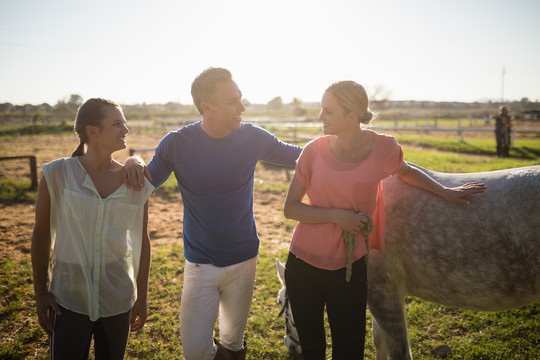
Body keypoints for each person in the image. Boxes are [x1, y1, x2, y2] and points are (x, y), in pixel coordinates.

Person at [282, 81, 487, 360]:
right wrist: (337, 217)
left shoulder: (383, 148)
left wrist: (445, 191)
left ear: (352, 115)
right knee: (313, 352)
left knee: (350, 351)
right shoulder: (313, 151)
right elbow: (291, 208)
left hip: (351, 267)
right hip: (303, 266)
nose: (320, 117)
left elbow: (406, 171)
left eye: (328, 111)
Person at [123, 67, 302, 360]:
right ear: (207, 107)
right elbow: (143, 184)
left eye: (241, 98)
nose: (242, 108)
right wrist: (134, 158)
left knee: (233, 341)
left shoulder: (252, 137)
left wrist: (352, 147)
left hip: (245, 258)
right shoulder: (177, 143)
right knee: (194, 351)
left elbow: (301, 156)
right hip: (200, 264)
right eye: (233, 101)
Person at [31, 98, 153, 359]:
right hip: (67, 297)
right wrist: (40, 292)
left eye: (125, 123)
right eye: (117, 124)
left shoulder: (134, 182)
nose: (126, 130)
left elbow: (142, 241)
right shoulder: (56, 174)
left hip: (117, 296)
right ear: (93, 131)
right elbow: (41, 234)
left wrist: (141, 296)